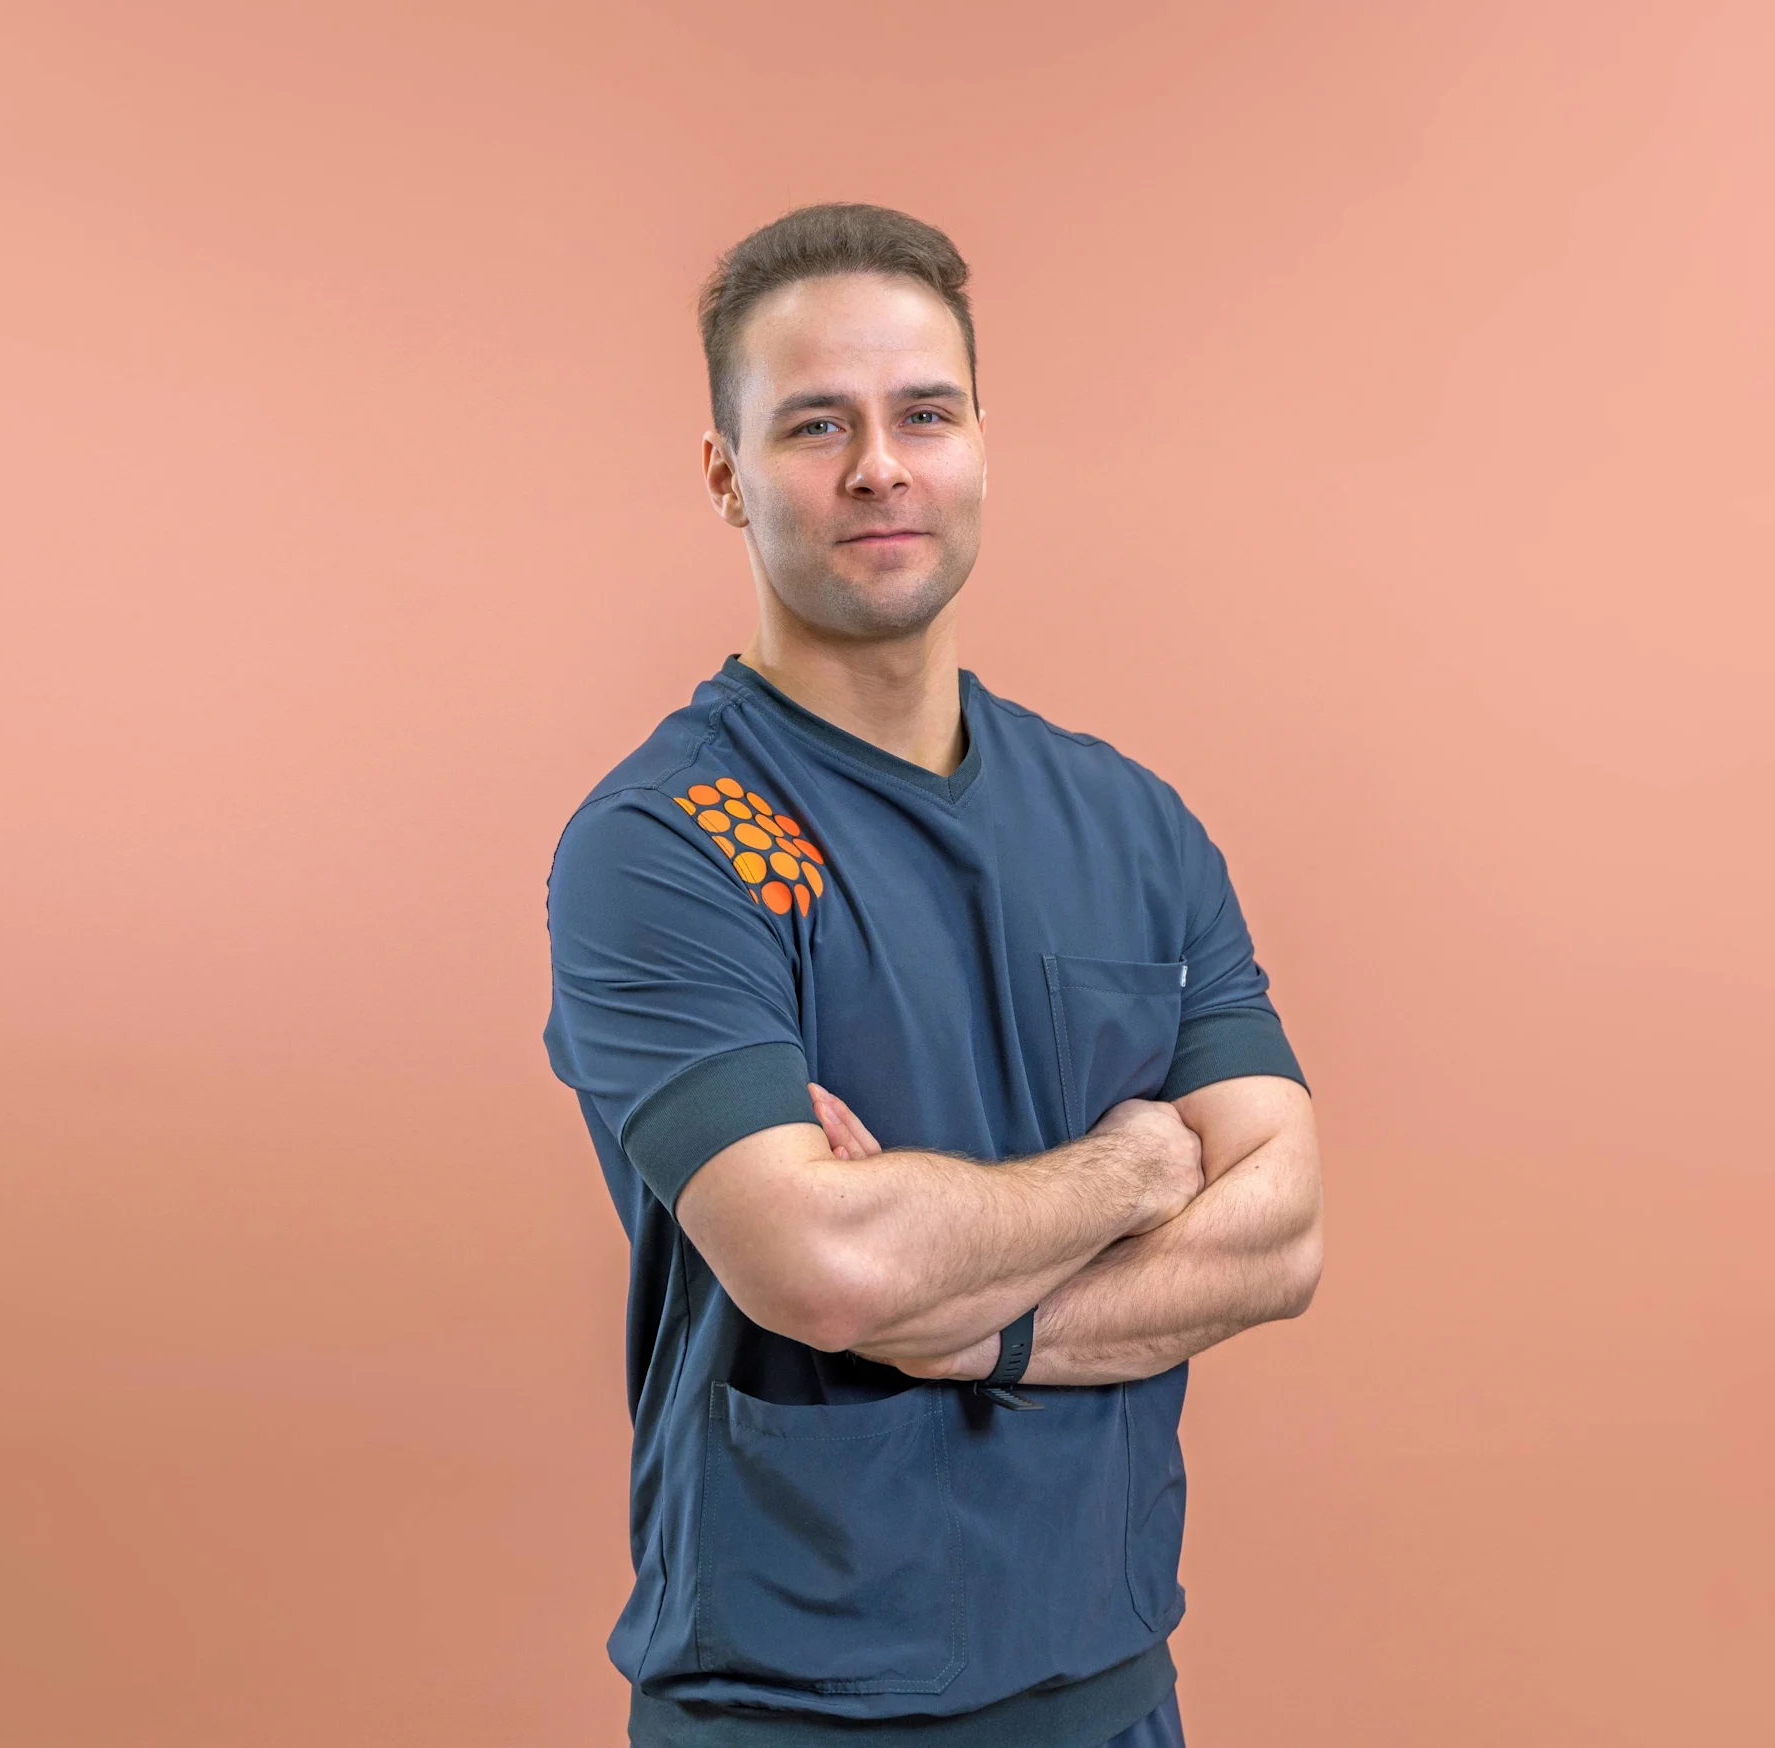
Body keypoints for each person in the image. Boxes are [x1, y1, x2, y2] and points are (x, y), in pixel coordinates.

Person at [543, 203, 1327, 1747]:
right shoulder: (670, 841)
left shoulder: (1130, 821)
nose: (878, 468)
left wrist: (967, 1324)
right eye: (815, 424)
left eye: (924, 414)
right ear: (725, 474)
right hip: (797, 1707)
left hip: (1112, 1686)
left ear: (979, 446)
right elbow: (823, 1270)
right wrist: (1130, 1169)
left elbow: (1283, 1233)